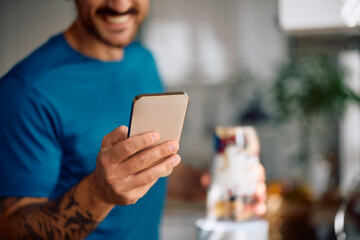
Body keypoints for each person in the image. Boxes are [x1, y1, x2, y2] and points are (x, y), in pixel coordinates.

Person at [0, 0, 267, 239]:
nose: (120, 5)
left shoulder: (143, 60)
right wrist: (97, 193)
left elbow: (149, 170)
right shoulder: (25, 90)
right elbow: (10, 228)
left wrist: (220, 186)